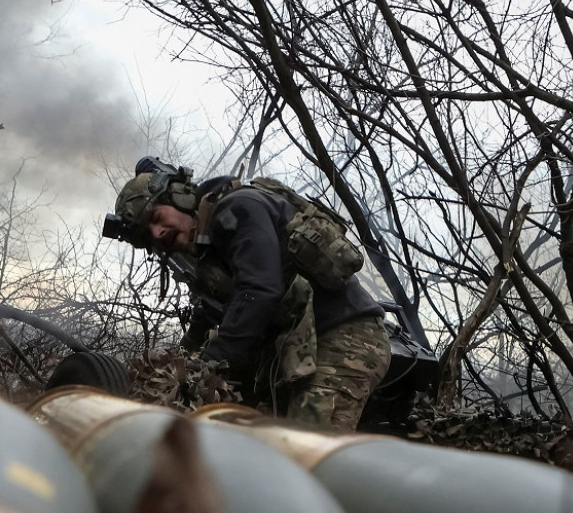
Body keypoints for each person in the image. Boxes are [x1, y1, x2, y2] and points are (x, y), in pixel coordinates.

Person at [107, 158, 391, 431]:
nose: (157, 233)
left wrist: (207, 362)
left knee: (306, 455)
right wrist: (183, 358)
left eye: (156, 217)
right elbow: (210, 311)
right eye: (148, 234)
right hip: (300, 350)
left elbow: (259, 290)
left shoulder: (238, 208)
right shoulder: (210, 248)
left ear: (180, 198)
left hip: (345, 339)